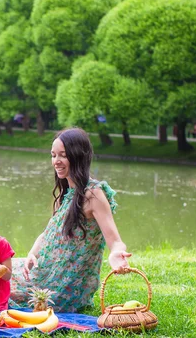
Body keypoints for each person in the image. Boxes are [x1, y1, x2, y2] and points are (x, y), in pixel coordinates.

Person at [10, 128, 132, 313]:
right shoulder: (66, 192)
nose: (56, 161)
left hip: (62, 285)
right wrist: (32, 254)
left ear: (78, 156)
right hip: (44, 269)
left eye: (63, 155)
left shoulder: (93, 194)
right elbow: (49, 232)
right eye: (53, 155)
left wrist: (117, 254)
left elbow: (115, 240)